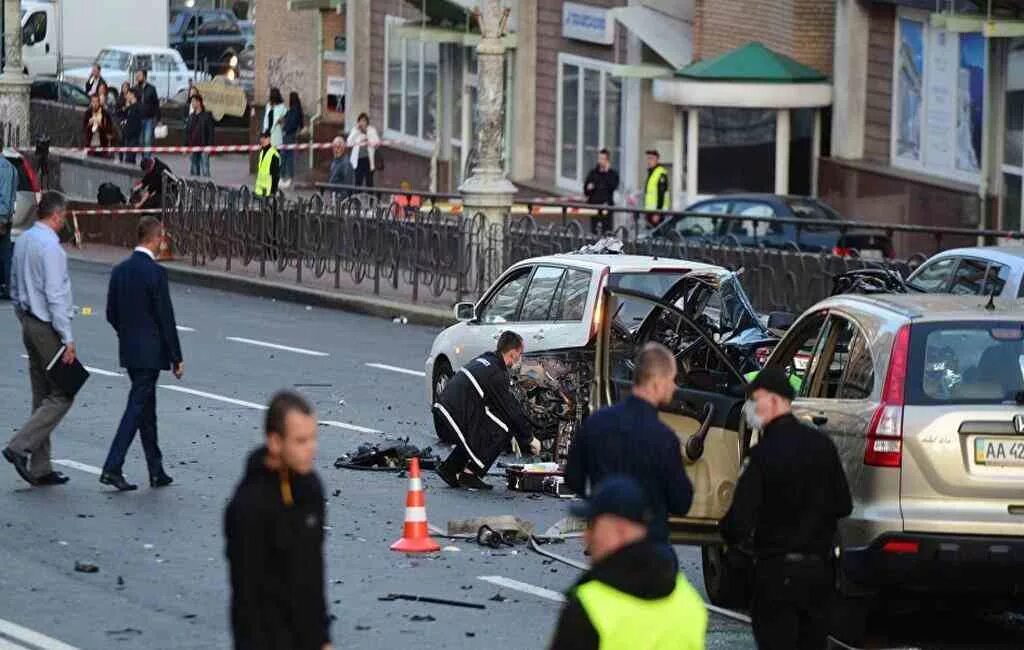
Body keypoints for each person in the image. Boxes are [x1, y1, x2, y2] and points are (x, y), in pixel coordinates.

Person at [721, 367, 853, 650]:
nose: (750, 408)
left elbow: (738, 523)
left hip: (775, 575)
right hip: (819, 574)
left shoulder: (762, 456)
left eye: (755, 399)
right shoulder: (822, 445)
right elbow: (843, 504)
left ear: (774, 400)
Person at [225, 391, 332, 650]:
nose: (311, 449)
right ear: (275, 442)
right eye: (301, 441)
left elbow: (313, 573)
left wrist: (323, 639)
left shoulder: (311, 489)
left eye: (313, 438)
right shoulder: (248, 505)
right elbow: (246, 596)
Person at [549, 476, 707, 650]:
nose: (585, 537)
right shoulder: (689, 602)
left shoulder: (590, 608)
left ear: (620, 531)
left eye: (593, 526)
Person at [565, 342, 693, 551]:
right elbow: (681, 503)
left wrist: (601, 504)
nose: (674, 387)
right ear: (657, 382)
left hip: (606, 543)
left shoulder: (597, 422)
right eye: (671, 379)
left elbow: (573, 478)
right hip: (648, 546)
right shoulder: (664, 438)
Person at [99, 217, 183, 491]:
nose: (163, 243)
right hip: (150, 353)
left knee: (147, 410)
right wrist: (176, 357)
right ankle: (112, 466)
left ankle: (156, 469)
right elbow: (165, 319)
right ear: (155, 239)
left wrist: (127, 335)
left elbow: (111, 313)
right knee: (136, 409)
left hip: (130, 351)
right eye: (162, 238)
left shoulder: (120, 270)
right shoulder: (155, 273)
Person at [2, 192, 75, 487]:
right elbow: (56, 295)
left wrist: (22, 315)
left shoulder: (24, 241)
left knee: (41, 393)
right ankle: (19, 447)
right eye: (64, 216)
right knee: (63, 393)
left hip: (29, 321)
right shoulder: (51, 248)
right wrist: (67, 337)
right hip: (47, 326)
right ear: (57, 216)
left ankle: (41, 466)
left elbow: (15, 284)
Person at [433, 331, 541, 491]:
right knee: (503, 428)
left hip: (444, 407)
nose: (520, 359)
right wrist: (529, 438)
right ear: (513, 353)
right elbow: (510, 409)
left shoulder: (488, 358)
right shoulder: (497, 374)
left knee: (485, 426)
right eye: (520, 353)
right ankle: (471, 474)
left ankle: (449, 469)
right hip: (455, 412)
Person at [583, 148, 619, 235]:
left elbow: (613, 186)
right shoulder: (593, 173)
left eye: (603, 159)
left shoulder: (612, 174)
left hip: (606, 207)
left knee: (607, 233)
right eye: (599, 158)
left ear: (607, 160)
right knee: (594, 232)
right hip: (594, 207)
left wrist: (607, 173)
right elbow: (586, 190)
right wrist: (588, 188)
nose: (600, 161)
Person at [346, 112, 380, 188]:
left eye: (364, 121)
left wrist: (368, 139)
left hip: (368, 159)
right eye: (360, 121)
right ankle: (357, 198)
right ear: (358, 122)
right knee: (358, 181)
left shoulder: (371, 130)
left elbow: (377, 143)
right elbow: (349, 143)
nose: (362, 123)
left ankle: (370, 199)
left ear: (367, 122)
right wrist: (356, 132)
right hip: (358, 160)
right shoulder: (355, 130)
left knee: (369, 181)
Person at [135, 69, 161, 162]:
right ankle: (143, 158)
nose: (137, 77)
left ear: (144, 76)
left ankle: (147, 159)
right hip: (138, 119)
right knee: (141, 141)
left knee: (147, 140)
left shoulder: (151, 88)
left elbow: (156, 104)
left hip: (149, 118)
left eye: (139, 75)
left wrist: (158, 118)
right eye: (136, 75)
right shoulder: (135, 89)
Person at [0, 154, 16, 300]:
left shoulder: (2, 166)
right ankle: (8, 287)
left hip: (1, 215)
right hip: (7, 216)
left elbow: (3, 196)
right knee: (5, 253)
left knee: (5, 253)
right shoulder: (11, 167)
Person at [186, 94, 215, 178]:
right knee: (194, 170)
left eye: (193, 102)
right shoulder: (191, 116)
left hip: (204, 146)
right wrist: (186, 145)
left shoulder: (207, 116)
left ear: (199, 102)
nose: (192, 104)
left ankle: (208, 188)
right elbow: (188, 132)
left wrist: (210, 145)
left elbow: (210, 132)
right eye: (191, 102)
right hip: (193, 146)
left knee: (205, 170)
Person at [281, 92, 304, 188]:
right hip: (291, 135)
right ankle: (287, 177)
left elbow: (292, 123)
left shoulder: (294, 109)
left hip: (289, 135)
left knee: (286, 156)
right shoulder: (297, 109)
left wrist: (285, 129)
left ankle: (286, 177)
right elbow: (300, 123)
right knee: (287, 156)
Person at [643, 150, 670, 228]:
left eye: (651, 159)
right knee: (650, 236)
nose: (649, 161)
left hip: (656, 212)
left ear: (657, 160)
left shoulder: (660, 173)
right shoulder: (651, 172)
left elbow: (661, 194)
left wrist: (658, 213)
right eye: (648, 159)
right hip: (650, 211)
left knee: (656, 236)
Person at [119, 87, 143, 166]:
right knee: (129, 157)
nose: (126, 96)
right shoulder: (130, 107)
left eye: (128, 94)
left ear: (133, 95)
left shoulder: (137, 108)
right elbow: (120, 114)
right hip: (128, 136)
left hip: (133, 136)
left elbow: (135, 123)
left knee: (130, 158)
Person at [255, 130, 281, 198]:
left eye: (265, 138)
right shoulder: (262, 152)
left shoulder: (274, 154)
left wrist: (273, 192)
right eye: (261, 137)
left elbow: (276, 175)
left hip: (269, 192)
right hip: (260, 191)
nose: (262, 140)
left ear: (269, 139)